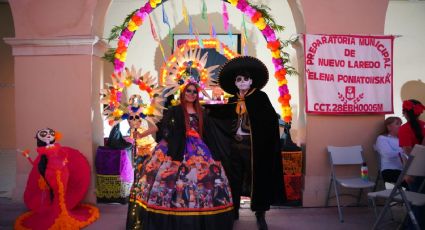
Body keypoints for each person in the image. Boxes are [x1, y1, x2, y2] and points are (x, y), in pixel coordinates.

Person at [126, 82, 234, 230]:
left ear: (198, 95)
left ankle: (200, 212)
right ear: (183, 93)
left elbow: (210, 133)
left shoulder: (202, 111)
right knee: (164, 178)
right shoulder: (174, 110)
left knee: (208, 178)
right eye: (188, 91)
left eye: (194, 92)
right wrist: (141, 134)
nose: (191, 94)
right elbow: (160, 125)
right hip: (175, 147)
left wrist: (215, 156)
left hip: (199, 149)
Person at [214, 56, 286, 230]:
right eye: (239, 79)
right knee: (234, 179)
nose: (242, 82)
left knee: (257, 179)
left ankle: (260, 213)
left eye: (245, 79)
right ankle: (234, 210)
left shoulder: (260, 97)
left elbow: (269, 121)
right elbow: (222, 119)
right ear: (235, 82)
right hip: (234, 147)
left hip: (254, 148)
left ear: (251, 81)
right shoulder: (232, 99)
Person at [15, 128, 99, 229]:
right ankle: (56, 213)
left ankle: (61, 213)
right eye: (44, 134)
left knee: (61, 193)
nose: (48, 136)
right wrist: (29, 158)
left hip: (63, 172)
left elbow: (63, 155)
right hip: (51, 175)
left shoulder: (57, 148)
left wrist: (63, 161)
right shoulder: (43, 151)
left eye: (50, 133)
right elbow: (40, 165)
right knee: (55, 193)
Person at [398, 99, 425, 229]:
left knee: (416, 201)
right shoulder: (424, 125)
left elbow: (407, 152)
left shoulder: (404, 129)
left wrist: (408, 173)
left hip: (415, 170)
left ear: (405, 113)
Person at [375, 116, 408, 187]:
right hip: (389, 170)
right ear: (389, 127)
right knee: (411, 183)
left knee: (419, 180)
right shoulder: (382, 138)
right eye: (397, 124)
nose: (400, 126)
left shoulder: (401, 139)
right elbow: (387, 154)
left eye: (401, 124)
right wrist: (403, 150)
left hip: (404, 171)